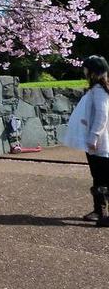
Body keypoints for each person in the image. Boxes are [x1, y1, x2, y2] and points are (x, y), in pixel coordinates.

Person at [64, 55, 109, 226]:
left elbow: (102, 115)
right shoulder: (97, 89)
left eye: (86, 68)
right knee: (98, 177)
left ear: (92, 71)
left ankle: (103, 214)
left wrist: (94, 136)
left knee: (102, 178)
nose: (83, 70)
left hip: (99, 143)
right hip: (97, 143)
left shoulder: (99, 90)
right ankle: (99, 211)